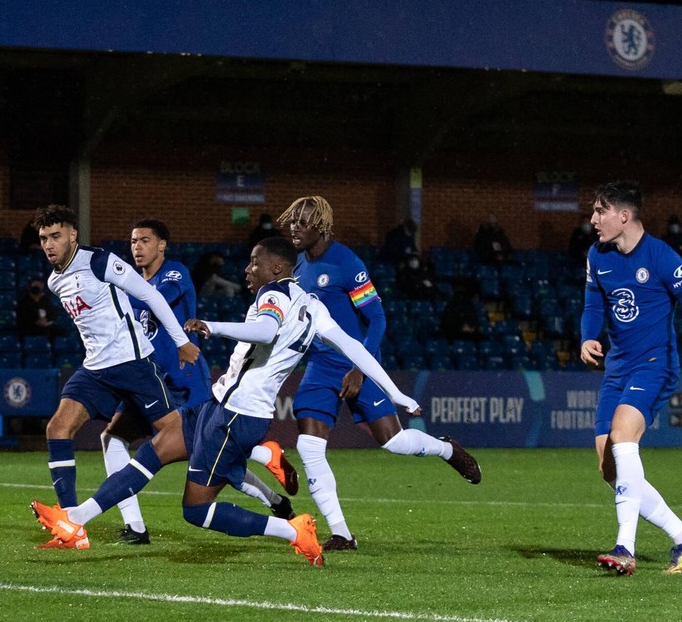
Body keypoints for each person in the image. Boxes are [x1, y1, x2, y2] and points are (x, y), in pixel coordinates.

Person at [33, 237, 422, 567]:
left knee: (196, 511)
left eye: (254, 262)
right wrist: (398, 394)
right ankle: (74, 519)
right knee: (152, 453)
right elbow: (356, 348)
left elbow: (266, 329)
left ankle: (292, 529)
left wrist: (212, 327)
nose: (247, 269)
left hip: (238, 417)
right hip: (219, 405)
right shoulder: (314, 306)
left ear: (275, 268)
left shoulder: (275, 295)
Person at [278, 195, 481, 551]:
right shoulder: (299, 266)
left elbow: (377, 318)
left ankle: (445, 449)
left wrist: (359, 368)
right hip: (321, 365)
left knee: (394, 442)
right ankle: (341, 532)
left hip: (359, 362)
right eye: (293, 220)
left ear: (321, 226)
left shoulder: (346, 263)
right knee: (309, 446)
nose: (295, 226)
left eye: (303, 221)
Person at [99, 219, 293, 546]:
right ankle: (134, 525)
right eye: (132, 241)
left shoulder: (173, 273)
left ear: (162, 245)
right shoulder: (132, 285)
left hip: (184, 381)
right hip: (149, 381)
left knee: (209, 460)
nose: (137, 247)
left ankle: (267, 475)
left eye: (145, 240)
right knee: (113, 438)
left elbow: (154, 298)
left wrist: (112, 295)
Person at [29, 204, 199, 549]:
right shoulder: (54, 280)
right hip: (95, 368)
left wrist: (181, 343)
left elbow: (148, 294)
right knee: (58, 429)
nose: (49, 244)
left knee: (178, 439)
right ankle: (71, 520)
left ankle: (248, 451)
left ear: (73, 235)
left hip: (133, 364)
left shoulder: (98, 260)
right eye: (44, 238)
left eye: (56, 236)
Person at [579, 181, 682, 575]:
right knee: (609, 468)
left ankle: (625, 547)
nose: (593, 220)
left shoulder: (662, 257)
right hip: (617, 367)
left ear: (624, 215)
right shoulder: (597, 254)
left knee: (622, 435)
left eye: (600, 212)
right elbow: (592, 304)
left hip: (655, 364)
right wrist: (587, 336)